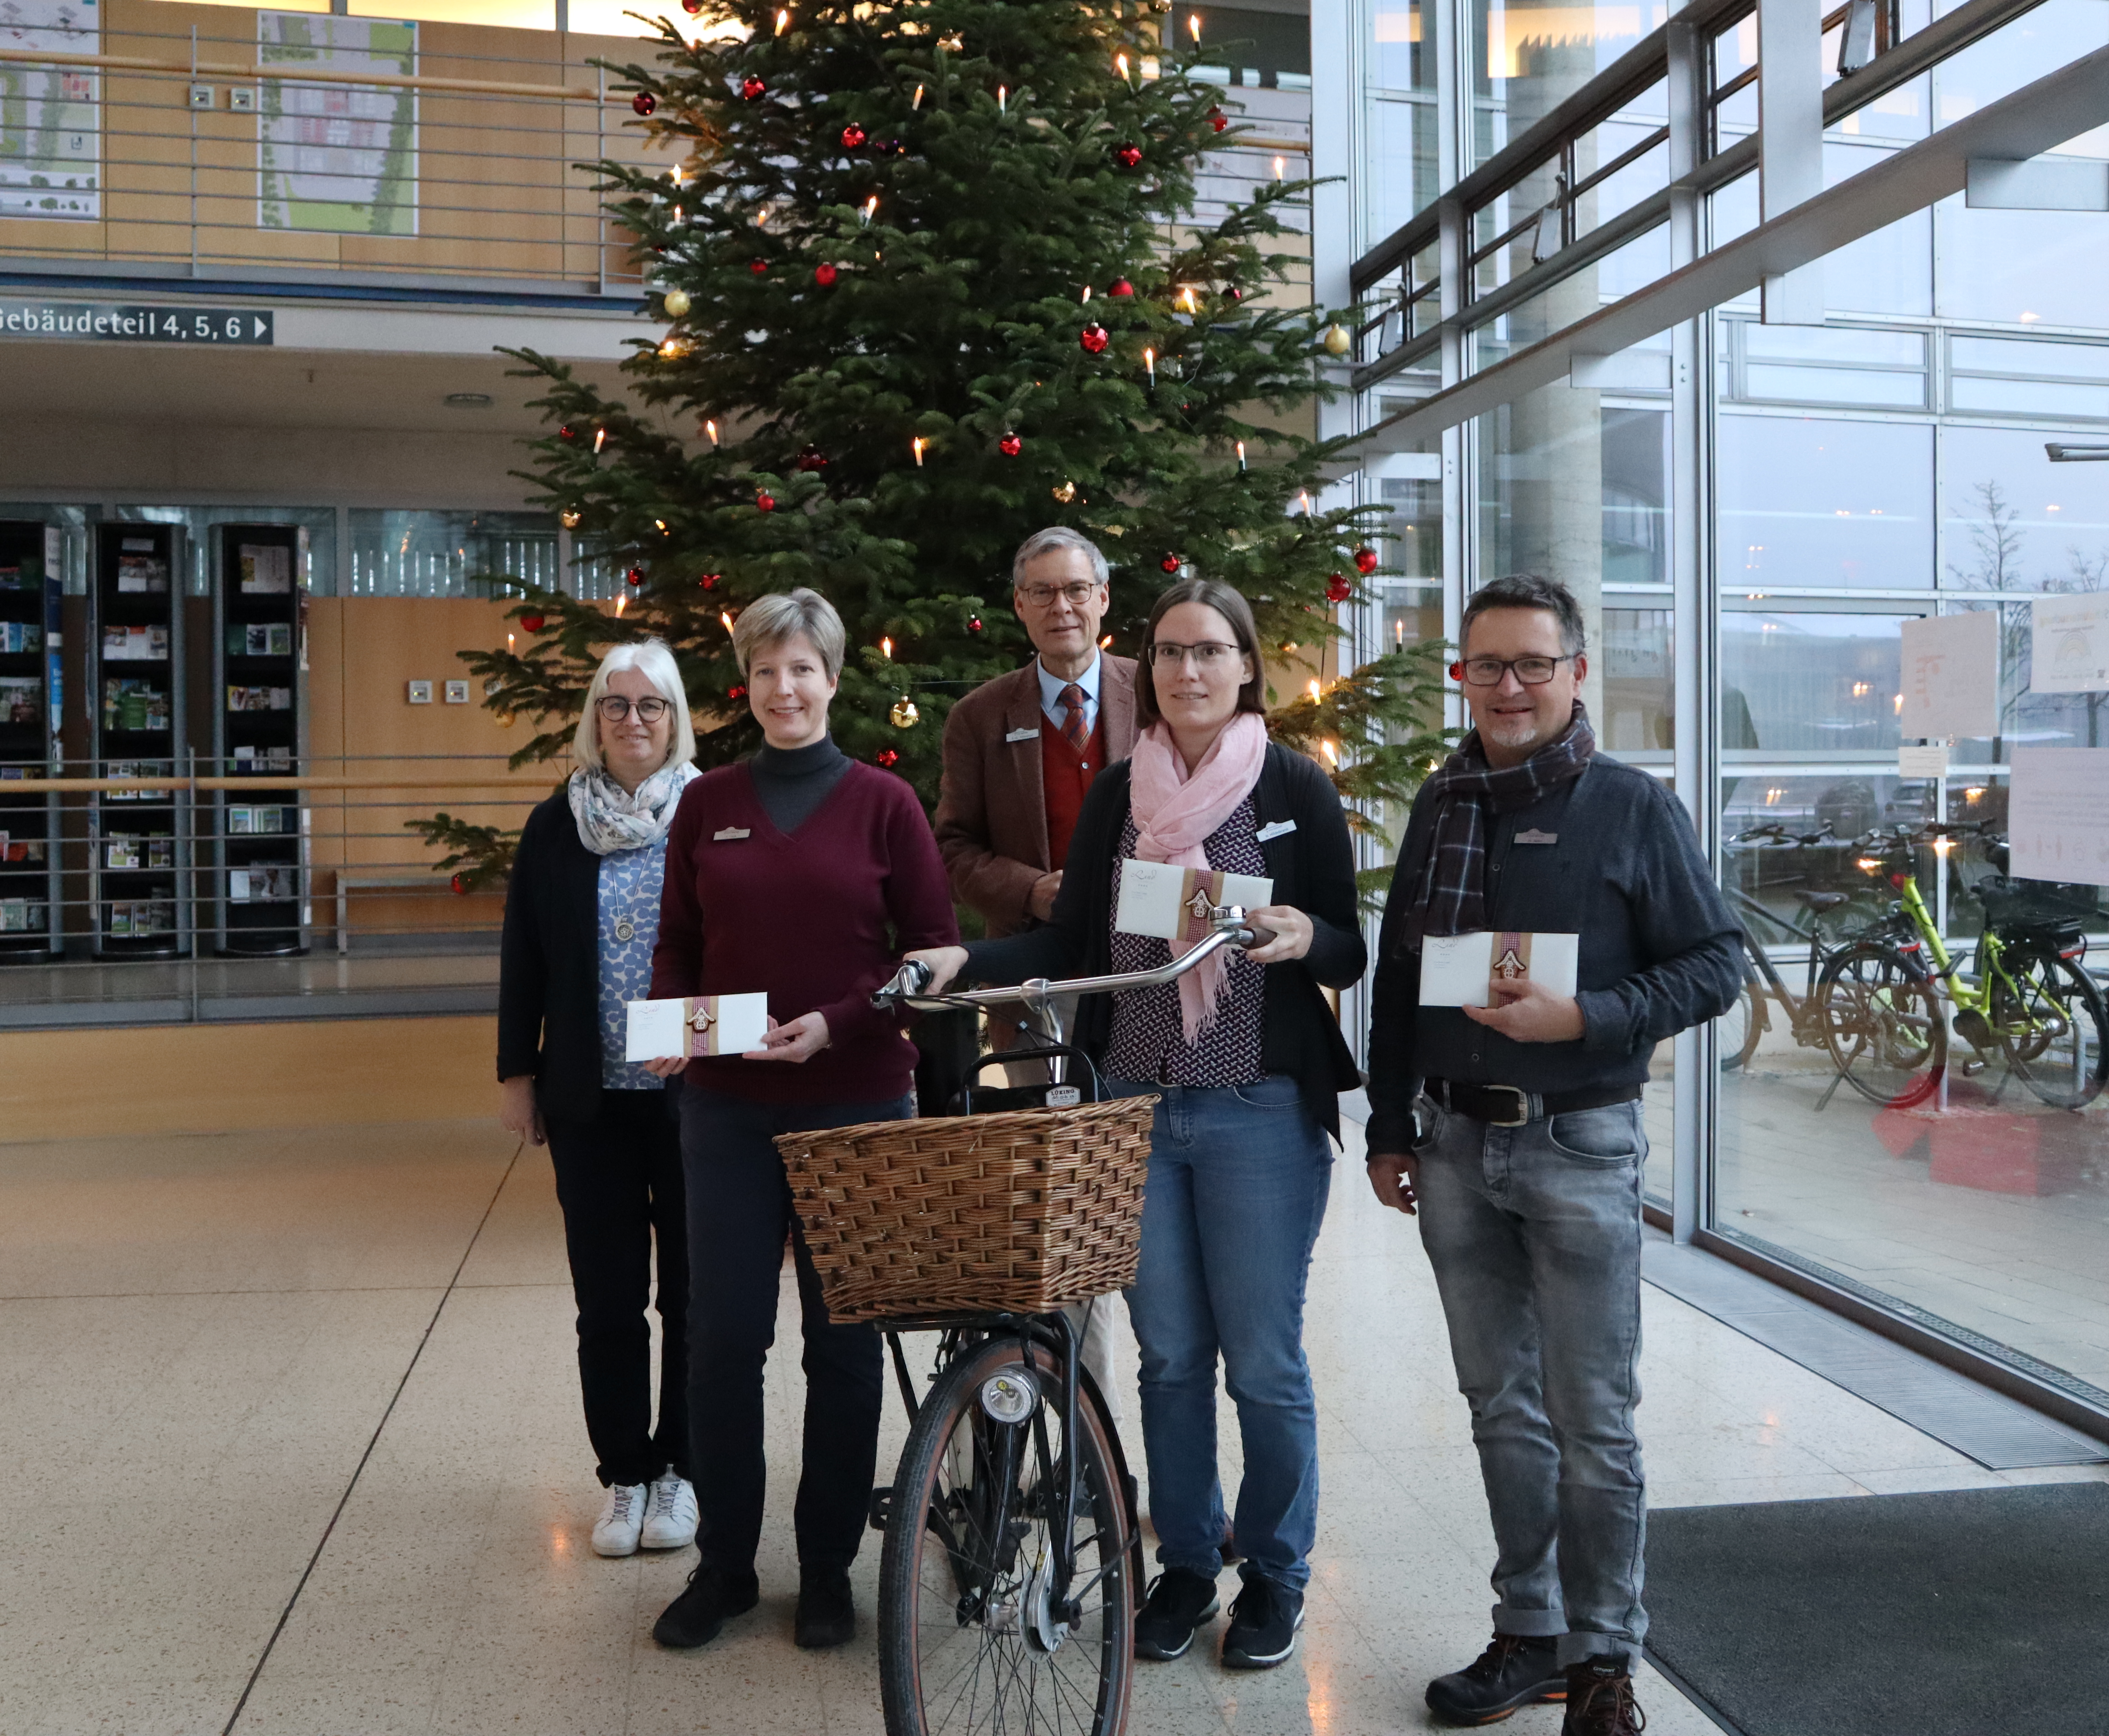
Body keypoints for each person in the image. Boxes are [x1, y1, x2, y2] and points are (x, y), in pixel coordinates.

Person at [907, 577, 1366, 1674]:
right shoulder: (1121, 794)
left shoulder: (1294, 788)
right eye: (1168, 651)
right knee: (1168, 1360)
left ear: (1246, 666)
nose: (1187, 670)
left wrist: (1306, 933)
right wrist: (964, 957)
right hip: (1136, 1110)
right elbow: (1069, 940)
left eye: (1209, 651)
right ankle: (1188, 1567)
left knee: (1260, 1361)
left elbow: (1349, 944)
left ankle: (1273, 1575)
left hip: (1257, 1105)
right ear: (1147, 665)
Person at [1362, 575, 1742, 1736]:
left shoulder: (1628, 806)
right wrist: (1387, 1124)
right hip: (1454, 1141)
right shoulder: (1442, 803)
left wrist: (1583, 1019)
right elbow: (1398, 972)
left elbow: (1714, 963)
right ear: (1459, 677)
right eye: (1487, 666)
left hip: (1578, 1142)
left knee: (1593, 1418)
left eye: (1533, 664)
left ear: (1577, 673)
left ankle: (1605, 1663)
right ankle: (1528, 1635)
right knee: (1499, 1410)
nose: (1510, 686)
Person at [643, 588, 958, 1655]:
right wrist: (677, 1026)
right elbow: (678, 942)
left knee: (845, 1344)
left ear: (833, 680)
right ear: (748, 683)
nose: (786, 688)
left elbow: (931, 952)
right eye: (768, 670)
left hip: (858, 1098)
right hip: (726, 1109)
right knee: (723, 1340)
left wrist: (836, 1023)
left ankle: (826, 1567)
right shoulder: (707, 802)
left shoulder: (884, 804)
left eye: (804, 669)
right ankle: (725, 1565)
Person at [496, 638, 700, 1560]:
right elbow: (523, 955)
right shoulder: (555, 823)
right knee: (608, 1300)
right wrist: (517, 1072)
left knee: (695, 1298)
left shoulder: (708, 813)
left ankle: (681, 1471)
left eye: (649, 705)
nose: (631, 721)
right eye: (614, 705)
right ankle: (624, 1474)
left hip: (694, 1097)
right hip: (589, 1098)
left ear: (674, 717)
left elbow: (741, 945)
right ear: (594, 718)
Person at [932, 525, 1140, 1413]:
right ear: (1018, 607)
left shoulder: (1157, 688)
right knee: (1060, 1205)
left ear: (1102, 599)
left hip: (1144, 991)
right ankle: (1073, 1432)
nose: (1061, 607)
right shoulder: (980, 717)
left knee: (1135, 1202)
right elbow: (951, 845)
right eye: (1041, 592)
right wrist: (1033, 891)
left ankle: (1156, 1452)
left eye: (1076, 590)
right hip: (1035, 998)